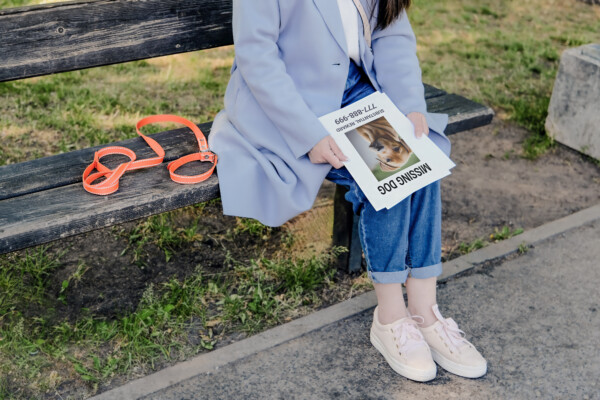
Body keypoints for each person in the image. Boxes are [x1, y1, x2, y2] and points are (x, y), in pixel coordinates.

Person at [209, 0, 487, 382]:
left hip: (355, 90)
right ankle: (390, 318)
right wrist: (308, 135)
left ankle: (425, 312)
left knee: (415, 164)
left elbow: (392, 34)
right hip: (289, 103)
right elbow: (258, 58)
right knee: (381, 176)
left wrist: (409, 105)